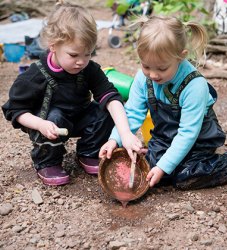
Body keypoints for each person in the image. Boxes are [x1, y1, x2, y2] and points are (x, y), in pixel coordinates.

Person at [99, 15, 227, 190]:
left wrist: (164, 166)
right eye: (146, 66)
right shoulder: (143, 78)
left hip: (199, 140)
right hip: (165, 137)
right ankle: (166, 163)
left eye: (162, 68)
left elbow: (188, 133)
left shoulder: (194, 86)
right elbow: (133, 112)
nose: (153, 75)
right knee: (148, 172)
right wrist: (115, 139)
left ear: (181, 57)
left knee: (184, 177)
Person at [2, 1, 142, 186]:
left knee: (106, 110)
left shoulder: (89, 69)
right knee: (55, 116)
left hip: (79, 116)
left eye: (87, 54)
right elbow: (15, 110)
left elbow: (111, 96)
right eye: (74, 55)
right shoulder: (35, 76)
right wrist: (40, 124)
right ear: (53, 46)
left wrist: (125, 133)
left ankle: (89, 152)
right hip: (50, 124)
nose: (81, 62)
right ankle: (48, 161)